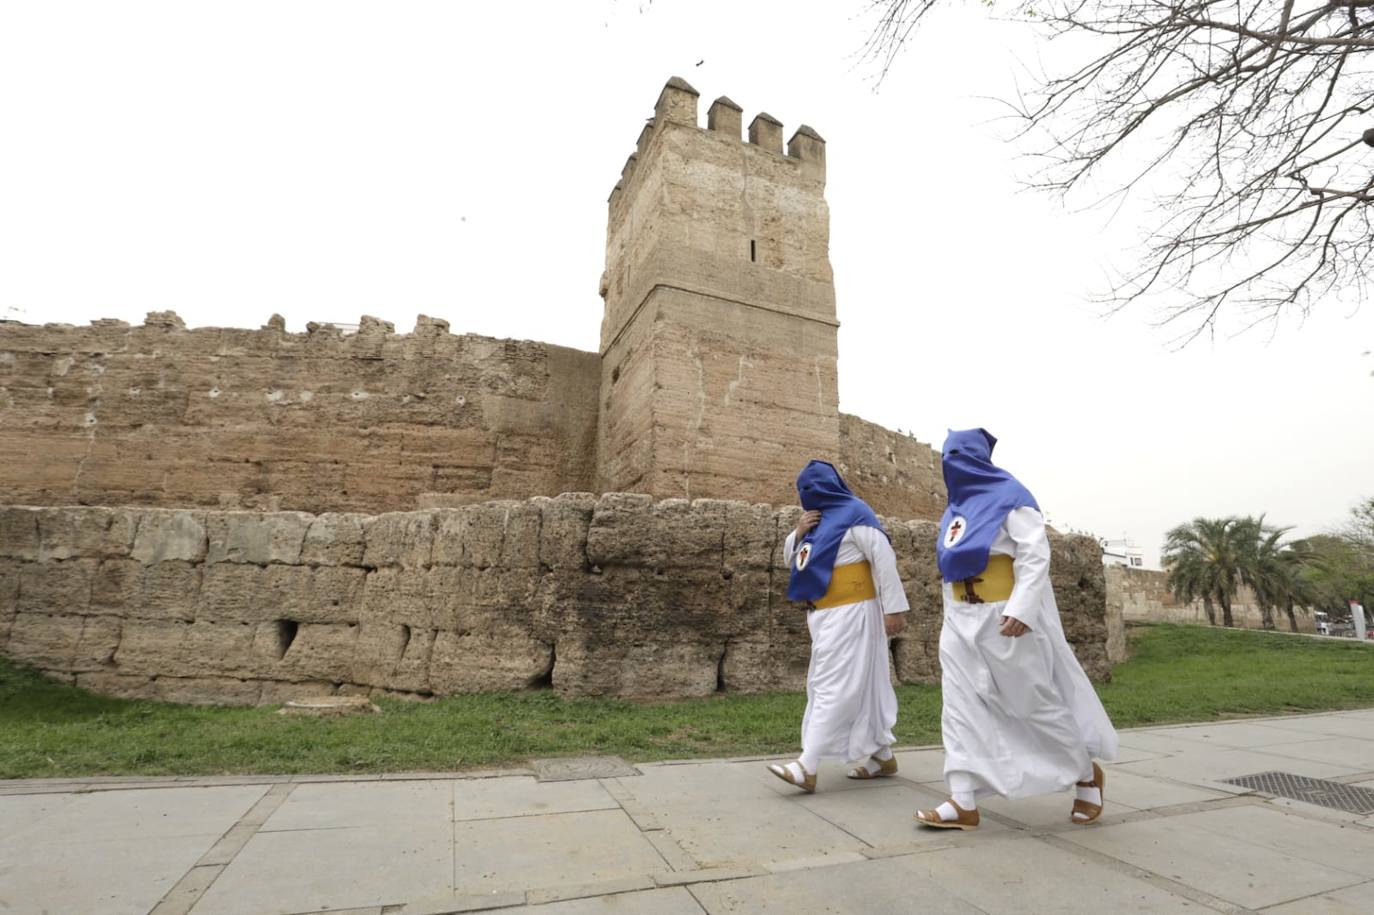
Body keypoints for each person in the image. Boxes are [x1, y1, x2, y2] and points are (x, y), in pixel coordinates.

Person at [915, 429, 1118, 830]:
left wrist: (1023, 609)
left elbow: (1034, 553)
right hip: (960, 619)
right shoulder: (956, 508)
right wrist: (951, 619)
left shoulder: (1012, 496)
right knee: (959, 708)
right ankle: (963, 800)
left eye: (960, 454)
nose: (952, 461)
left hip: (1004, 617)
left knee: (1032, 702)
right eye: (947, 454)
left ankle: (1084, 773)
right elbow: (950, 567)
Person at [767, 460, 910, 793]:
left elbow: (883, 560)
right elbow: (795, 557)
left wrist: (894, 610)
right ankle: (882, 757)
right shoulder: (814, 521)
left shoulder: (856, 513)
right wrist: (798, 532)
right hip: (822, 614)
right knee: (852, 685)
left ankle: (807, 765)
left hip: (853, 612)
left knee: (834, 684)